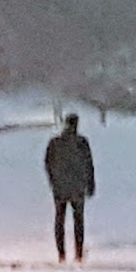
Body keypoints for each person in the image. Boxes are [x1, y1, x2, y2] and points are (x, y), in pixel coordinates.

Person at [44, 112, 96, 263]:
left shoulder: (55, 143)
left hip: (60, 188)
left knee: (59, 219)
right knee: (78, 220)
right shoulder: (82, 143)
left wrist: (53, 181)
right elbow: (89, 165)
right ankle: (78, 253)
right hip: (78, 188)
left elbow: (47, 163)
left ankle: (61, 253)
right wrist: (90, 184)